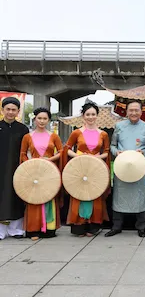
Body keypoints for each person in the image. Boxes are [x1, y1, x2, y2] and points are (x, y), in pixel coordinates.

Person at [105, 101, 145, 238]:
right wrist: (117, 153)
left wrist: (143, 153)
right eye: (131, 110)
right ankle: (116, 226)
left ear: (141, 111)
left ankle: (141, 226)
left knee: (140, 196)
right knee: (119, 195)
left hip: (139, 168)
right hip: (122, 168)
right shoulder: (119, 126)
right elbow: (112, 146)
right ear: (126, 112)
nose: (133, 113)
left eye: (136, 110)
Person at [62, 102, 111, 237]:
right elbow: (66, 149)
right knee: (79, 193)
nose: (90, 117)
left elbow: (107, 152)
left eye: (93, 114)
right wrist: (79, 156)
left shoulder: (103, 134)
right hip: (79, 168)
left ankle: (93, 226)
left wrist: (97, 157)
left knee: (95, 193)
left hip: (95, 168)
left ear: (97, 116)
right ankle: (79, 226)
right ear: (83, 116)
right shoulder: (76, 132)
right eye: (88, 114)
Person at [20, 107, 63, 240]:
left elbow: (61, 152)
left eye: (45, 118)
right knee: (34, 197)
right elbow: (22, 154)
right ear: (35, 119)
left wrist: (49, 159)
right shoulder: (27, 136)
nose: (42, 121)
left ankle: (49, 228)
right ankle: (33, 229)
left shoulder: (53, 136)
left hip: (49, 171)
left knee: (49, 196)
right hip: (33, 172)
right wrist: (29, 165)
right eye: (39, 118)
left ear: (49, 120)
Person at [0, 97, 29, 240]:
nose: (10, 112)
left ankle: (15, 230)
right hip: (0, 168)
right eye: (8, 109)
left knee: (16, 198)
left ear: (18, 111)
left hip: (17, 168)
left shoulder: (23, 129)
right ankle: (1, 231)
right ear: (2, 110)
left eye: (14, 110)